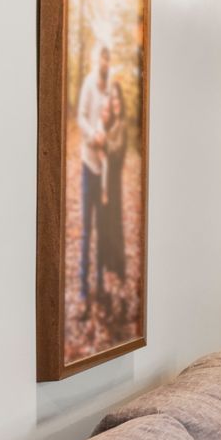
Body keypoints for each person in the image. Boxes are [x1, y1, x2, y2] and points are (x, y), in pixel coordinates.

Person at [75, 46, 113, 306]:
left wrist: (105, 138)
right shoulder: (89, 84)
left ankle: (99, 281)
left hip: (103, 167)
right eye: (103, 59)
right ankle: (83, 284)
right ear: (98, 60)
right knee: (87, 228)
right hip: (89, 163)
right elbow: (81, 117)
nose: (105, 64)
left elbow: (108, 119)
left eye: (108, 60)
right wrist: (93, 136)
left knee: (102, 228)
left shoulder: (109, 88)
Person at [96, 77, 128, 311]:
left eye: (117, 98)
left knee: (114, 222)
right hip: (107, 179)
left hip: (114, 181)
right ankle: (108, 264)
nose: (115, 102)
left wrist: (104, 144)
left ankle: (118, 267)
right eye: (112, 98)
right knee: (106, 222)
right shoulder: (111, 124)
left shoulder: (122, 125)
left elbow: (117, 153)